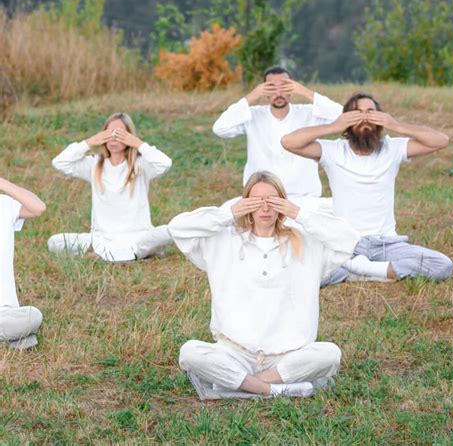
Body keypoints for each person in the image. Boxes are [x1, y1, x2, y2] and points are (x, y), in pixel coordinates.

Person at [168, 170, 359, 400]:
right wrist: (228, 213)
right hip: (234, 352)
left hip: (287, 356)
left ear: (283, 203)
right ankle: (276, 391)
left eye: (272, 200)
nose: (265, 208)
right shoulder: (224, 239)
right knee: (190, 352)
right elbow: (177, 227)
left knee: (330, 354)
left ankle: (240, 386)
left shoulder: (306, 242)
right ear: (245, 203)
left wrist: (299, 213)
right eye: (257, 201)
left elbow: (349, 238)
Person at [281, 92, 453, 284]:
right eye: (356, 113)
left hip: (387, 244)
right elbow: (288, 142)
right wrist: (333, 126)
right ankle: (377, 271)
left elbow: (441, 140)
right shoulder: (333, 151)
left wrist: (394, 125)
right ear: (346, 120)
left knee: (442, 265)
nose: (364, 117)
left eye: (370, 112)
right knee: (297, 274)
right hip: (345, 243)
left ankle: (361, 270)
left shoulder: (393, 149)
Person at [48, 112, 173, 262]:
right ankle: (128, 256)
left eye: (119, 134)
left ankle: (109, 256)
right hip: (102, 239)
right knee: (54, 242)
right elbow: (60, 162)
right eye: (109, 133)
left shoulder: (141, 165)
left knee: (169, 232)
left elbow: (165, 163)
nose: (113, 138)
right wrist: (90, 142)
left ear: (129, 136)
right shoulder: (94, 164)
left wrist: (138, 144)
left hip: (138, 237)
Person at [213, 66, 342, 208]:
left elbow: (343, 118)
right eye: (271, 88)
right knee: (225, 212)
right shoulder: (253, 115)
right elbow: (220, 128)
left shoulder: (308, 113)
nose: (278, 93)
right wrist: (252, 95)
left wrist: (304, 91)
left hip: (304, 198)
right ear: (264, 91)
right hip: (262, 199)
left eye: (284, 87)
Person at [0, 177, 46, 349]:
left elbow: (39, 208)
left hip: (6, 311)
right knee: (28, 332)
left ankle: (11, 337)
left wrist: (2, 183)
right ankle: (16, 338)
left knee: (31, 316)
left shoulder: (3, 205)